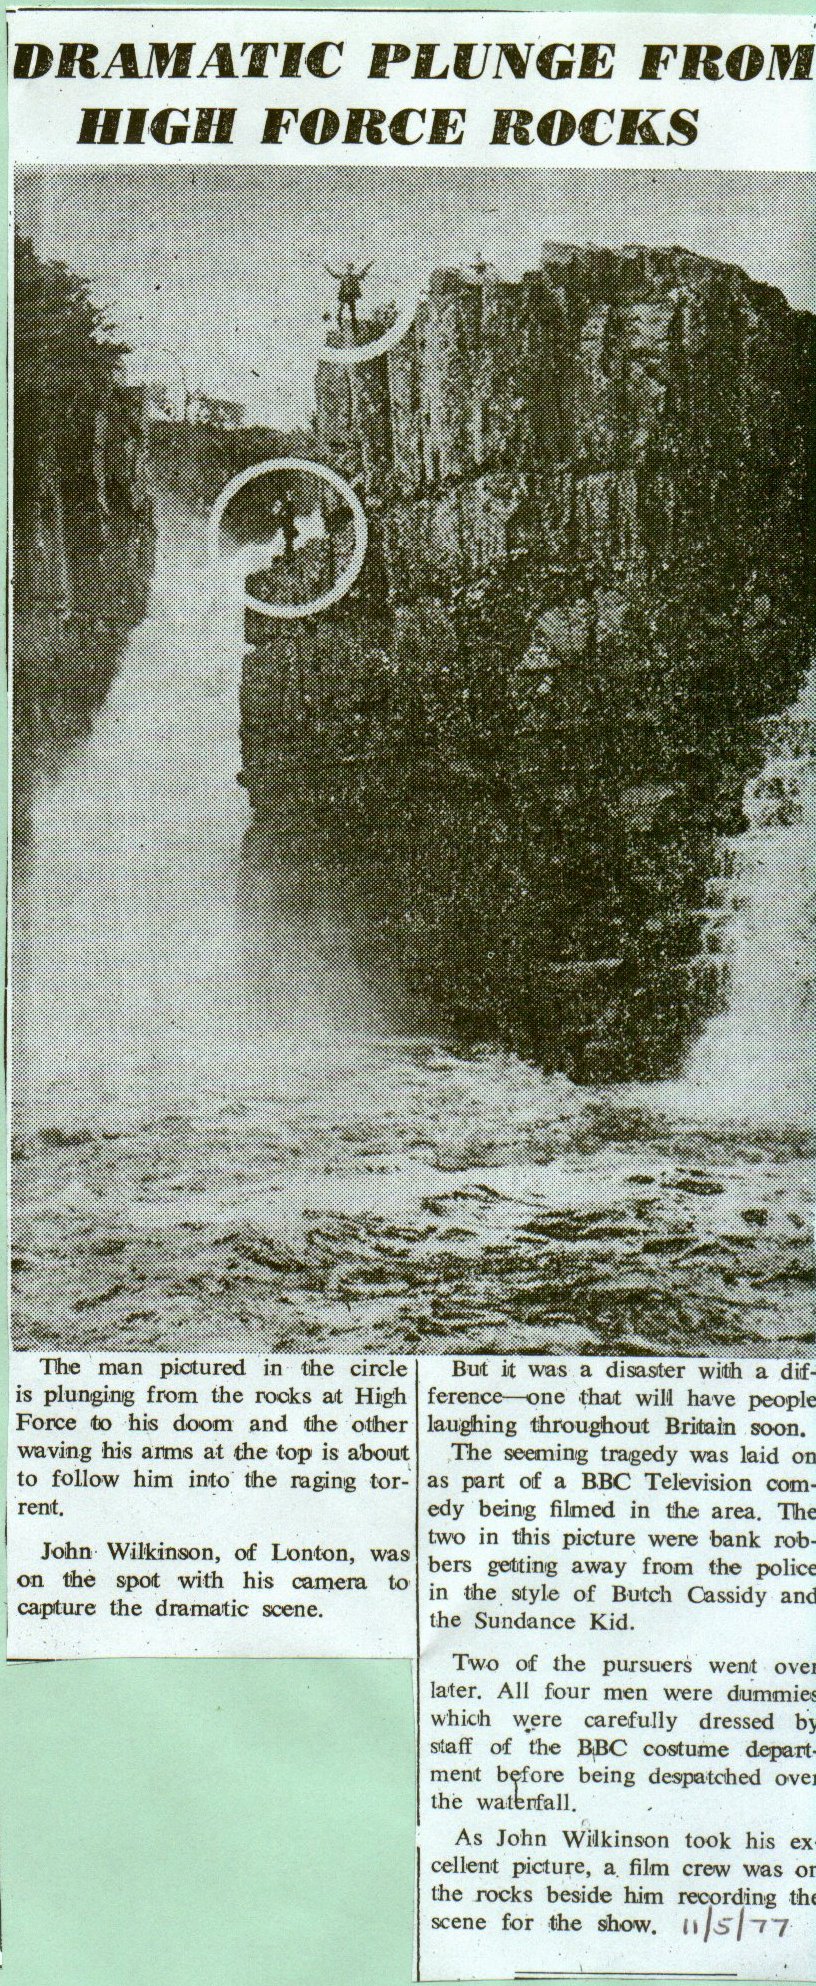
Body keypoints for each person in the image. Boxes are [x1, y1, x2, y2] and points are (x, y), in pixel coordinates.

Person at [324, 258, 374, 335]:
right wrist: (327, 268)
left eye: (350, 268)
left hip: (351, 297)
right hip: (343, 296)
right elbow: (334, 275)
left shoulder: (354, 277)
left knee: (352, 314)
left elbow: (362, 273)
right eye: (348, 268)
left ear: (352, 269)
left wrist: (369, 265)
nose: (349, 269)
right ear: (347, 268)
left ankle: (355, 330)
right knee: (340, 313)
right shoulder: (344, 276)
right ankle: (340, 328)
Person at [271, 490, 298, 561]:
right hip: (287, 529)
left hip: (288, 529)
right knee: (288, 543)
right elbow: (286, 515)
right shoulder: (285, 509)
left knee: (288, 543)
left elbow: (289, 515)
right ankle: (289, 557)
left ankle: (289, 557)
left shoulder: (287, 509)